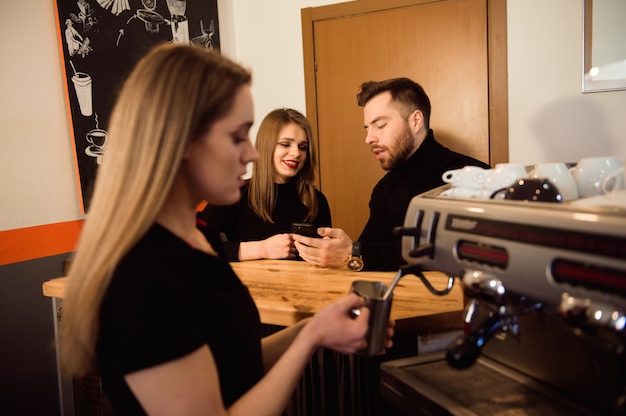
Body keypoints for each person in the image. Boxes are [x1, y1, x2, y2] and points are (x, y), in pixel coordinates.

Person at [59, 43, 392, 415]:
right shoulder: (142, 273)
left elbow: (234, 364)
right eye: (237, 137)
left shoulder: (198, 238)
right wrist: (310, 338)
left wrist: (315, 329)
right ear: (181, 139)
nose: (251, 155)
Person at [294, 77, 490, 271]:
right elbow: (365, 255)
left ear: (416, 121)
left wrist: (356, 253)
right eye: (367, 128)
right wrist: (346, 252)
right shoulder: (384, 189)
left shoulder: (475, 178)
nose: (369, 138)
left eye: (380, 125)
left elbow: (462, 251)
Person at [200, 108, 331, 262]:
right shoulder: (233, 195)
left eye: (302, 147)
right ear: (266, 146)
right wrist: (261, 249)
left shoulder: (317, 201)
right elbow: (195, 245)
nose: (296, 153)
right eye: (285, 144)